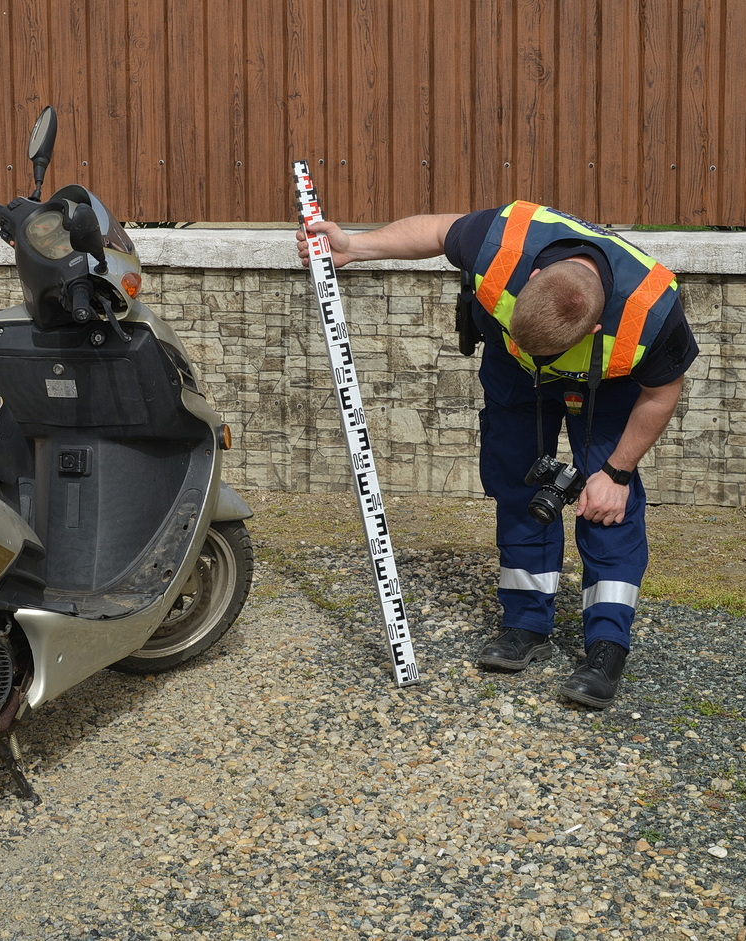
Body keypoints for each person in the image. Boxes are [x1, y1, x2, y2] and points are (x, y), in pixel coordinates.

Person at [298, 201, 699, 709]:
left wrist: (616, 473)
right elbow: (440, 229)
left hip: (607, 386)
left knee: (606, 506)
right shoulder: (502, 241)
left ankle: (606, 646)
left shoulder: (652, 311)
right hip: (512, 373)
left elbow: (662, 394)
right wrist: (356, 246)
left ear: (595, 329)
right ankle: (525, 623)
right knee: (519, 483)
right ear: (527, 278)